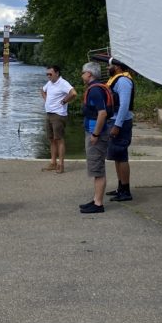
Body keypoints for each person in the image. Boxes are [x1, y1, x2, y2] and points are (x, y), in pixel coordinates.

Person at [78, 62, 112, 214]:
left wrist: (96, 134)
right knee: (96, 167)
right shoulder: (98, 88)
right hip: (95, 132)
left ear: (89, 74)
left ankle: (98, 204)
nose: (82, 75)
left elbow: (102, 113)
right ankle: (96, 199)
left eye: (83, 72)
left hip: (96, 134)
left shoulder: (95, 91)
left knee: (97, 168)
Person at [106, 57, 136, 202]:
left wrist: (117, 125)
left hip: (121, 123)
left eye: (109, 65)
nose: (107, 68)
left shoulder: (123, 81)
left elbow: (124, 105)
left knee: (121, 156)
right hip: (116, 121)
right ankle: (120, 188)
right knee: (117, 156)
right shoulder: (118, 79)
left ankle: (125, 191)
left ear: (117, 67)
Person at [41, 64, 77, 174]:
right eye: (47, 74)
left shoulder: (63, 83)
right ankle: (53, 163)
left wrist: (64, 101)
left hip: (58, 114)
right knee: (51, 139)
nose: (48, 76)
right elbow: (42, 90)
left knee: (59, 139)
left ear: (57, 73)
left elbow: (73, 93)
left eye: (50, 74)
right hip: (49, 114)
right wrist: (46, 100)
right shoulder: (50, 83)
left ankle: (61, 165)